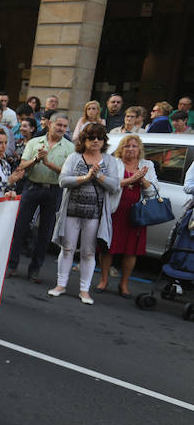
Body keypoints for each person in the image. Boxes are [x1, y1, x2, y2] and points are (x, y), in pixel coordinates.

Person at [48, 123, 119, 305]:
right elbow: (63, 180)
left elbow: (114, 185)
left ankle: (84, 290)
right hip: (71, 210)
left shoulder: (109, 161)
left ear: (104, 141)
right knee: (67, 248)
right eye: (91, 137)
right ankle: (60, 285)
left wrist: (98, 176)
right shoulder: (74, 157)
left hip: (95, 214)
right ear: (84, 140)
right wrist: (85, 178)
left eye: (99, 138)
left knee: (88, 252)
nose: (95, 141)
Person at [6, 112, 75, 282]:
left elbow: (69, 173)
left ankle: (35, 269)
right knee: (19, 227)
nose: (62, 129)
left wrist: (48, 163)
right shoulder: (34, 142)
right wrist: (36, 159)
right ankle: (12, 265)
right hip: (32, 187)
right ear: (49, 124)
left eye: (65, 126)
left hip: (54, 190)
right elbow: (22, 166)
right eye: (59, 125)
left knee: (45, 232)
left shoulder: (70, 148)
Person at [95, 134, 157, 297]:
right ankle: (104, 280)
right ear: (121, 149)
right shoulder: (114, 163)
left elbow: (153, 192)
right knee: (108, 247)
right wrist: (130, 180)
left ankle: (124, 285)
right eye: (127, 146)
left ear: (140, 150)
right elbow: (107, 184)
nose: (130, 149)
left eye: (134, 146)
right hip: (115, 211)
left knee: (131, 251)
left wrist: (142, 179)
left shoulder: (147, 165)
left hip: (136, 213)